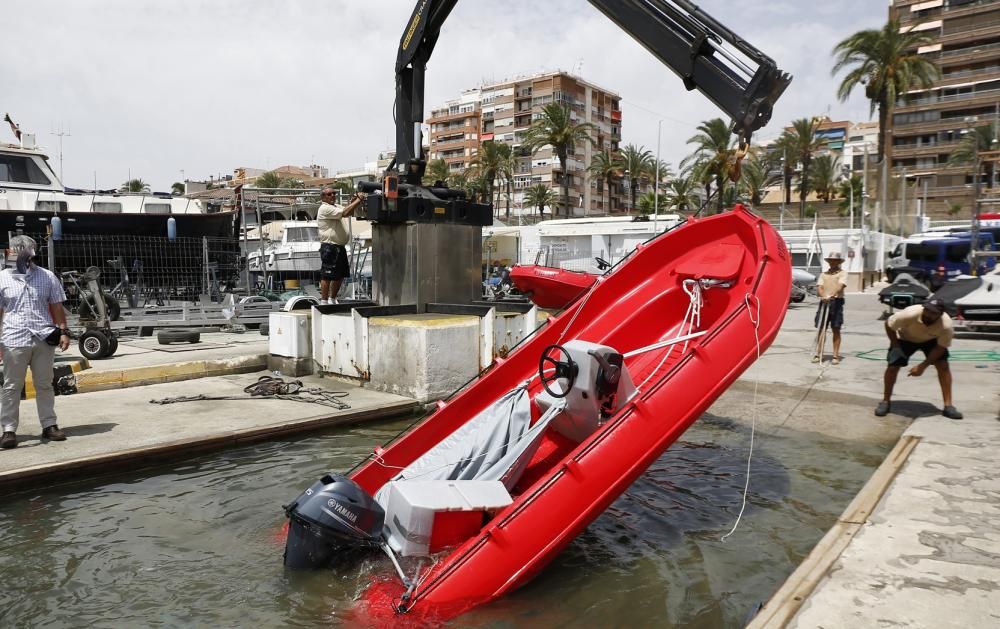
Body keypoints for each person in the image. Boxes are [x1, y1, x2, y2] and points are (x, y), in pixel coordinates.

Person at [0, 235, 71, 449]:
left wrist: (64, 332)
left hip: (43, 337)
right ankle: (9, 430)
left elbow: (57, 307)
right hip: (14, 337)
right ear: (10, 253)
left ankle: (49, 425)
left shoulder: (47, 277)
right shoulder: (2, 278)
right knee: (11, 386)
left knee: (44, 384)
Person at [874, 297, 962, 419]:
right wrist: (895, 346)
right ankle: (885, 401)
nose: (928, 314)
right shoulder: (909, 314)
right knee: (893, 366)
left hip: (931, 340)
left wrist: (923, 366)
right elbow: (889, 324)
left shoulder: (946, 326)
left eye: (933, 313)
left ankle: (948, 406)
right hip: (905, 338)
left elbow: (940, 347)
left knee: (943, 366)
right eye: (927, 310)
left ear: (940, 314)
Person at [316, 188, 365, 304]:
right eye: (329, 194)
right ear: (323, 197)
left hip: (339, 246)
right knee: (327, 275)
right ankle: (324, 301)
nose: (333, 195)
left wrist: (354, 201)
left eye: (334, 193)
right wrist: (358, 200)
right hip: (330, 246)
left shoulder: (335, 206)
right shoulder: (324, 208)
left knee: (341, 274)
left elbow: (348, 211)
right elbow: (345, 213)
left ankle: (332, 299)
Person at [812, 252, 847, 365]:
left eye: (835, 260)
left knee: (836, 328)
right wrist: (823, 296)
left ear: (838, 262)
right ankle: (818, 353)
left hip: (836, 302)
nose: (832, 262)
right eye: (831, 260)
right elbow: (820, 287)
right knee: (821, 329)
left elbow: (840, 286)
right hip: (824, 302)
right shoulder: (823, 274)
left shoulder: (842, 273)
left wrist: (831, 295)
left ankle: (835, 356)